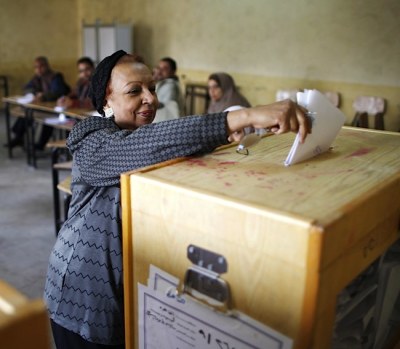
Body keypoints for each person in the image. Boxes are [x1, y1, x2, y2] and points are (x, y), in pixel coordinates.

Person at [44, 50, 310, 349]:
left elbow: (162, 145)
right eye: (134, 91)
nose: (150, 99)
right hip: (83, 297)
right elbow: (137, 148)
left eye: (152, 89)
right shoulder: (91, 141)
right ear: (106, 100)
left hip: (126, 288)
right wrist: (242, 116)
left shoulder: (145, 137)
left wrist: (223, 137)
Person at [8, 56, 70, 149]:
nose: (39, 69)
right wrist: (34, 94)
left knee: (47, 121)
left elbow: (57, 92)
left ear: (47, 66)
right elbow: (27, 88)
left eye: (41, 66)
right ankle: (18, 137)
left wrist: (43, 96)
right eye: (36, 67)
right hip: (43, 107)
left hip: (57, 109)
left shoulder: (55, 77)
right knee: (26, 114)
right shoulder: (36, 78)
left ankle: (41, 144)